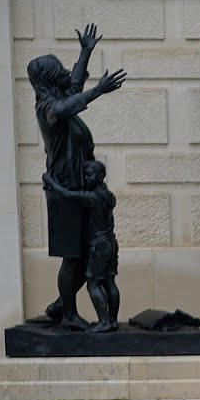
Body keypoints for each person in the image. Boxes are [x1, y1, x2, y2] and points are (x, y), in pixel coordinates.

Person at [27, 24, 127, 330]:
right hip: (64, 189)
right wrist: (97, 90)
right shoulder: (48, 108)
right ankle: (68, 314)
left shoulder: (58, 97)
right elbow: (68, 103)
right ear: (46, 77)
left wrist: (86, 51)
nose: (63, 71)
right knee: (73, 255)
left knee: (85, 253)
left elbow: (73, 84)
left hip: (78, 186)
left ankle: (61, 304)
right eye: (57, 68)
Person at [42, 161, 120, 333]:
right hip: (110, 244)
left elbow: (66, 194)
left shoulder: (93, 197)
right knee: (109, 282)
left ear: (99, 176)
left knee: (93, 284)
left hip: (99, 247)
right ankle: (112, 321)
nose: (85, 178)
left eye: (89, 174)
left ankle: (104, 322)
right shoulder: (108, 195)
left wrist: (50, 180)